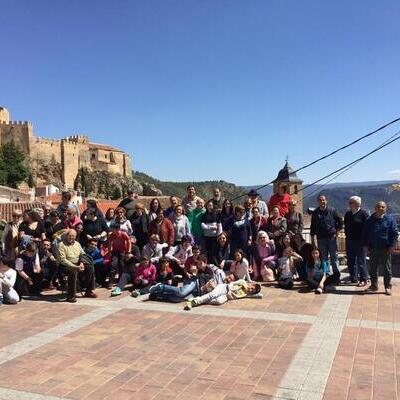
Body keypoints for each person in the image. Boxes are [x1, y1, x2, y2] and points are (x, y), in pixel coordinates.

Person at [363, 201, 399, 295]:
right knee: (373, 268)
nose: (381, 208)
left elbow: (394, 234)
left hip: (386, 248)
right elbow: (365, 233)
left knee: (387, 269)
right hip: (373, 248)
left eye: (383, 207)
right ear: (375, 208)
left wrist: (392, 246)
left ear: (386, 208)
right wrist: (366, 245)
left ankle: (388, 287)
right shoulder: (370, 220)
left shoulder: (390, 219)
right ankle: (374, 285)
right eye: (379, 207)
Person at [310, 194, 343, 283]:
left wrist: (337, 231)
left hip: (331, 238)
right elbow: (313, 226)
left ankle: (336, 276)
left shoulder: (332, 210)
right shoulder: (315, 213)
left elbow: (340, 221)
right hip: (320, 239)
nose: (322, 202)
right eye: (320, 200)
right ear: (318, 202)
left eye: (323, 200)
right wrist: (312, 238)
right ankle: (326, 275)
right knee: (323, 259)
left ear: (326, 201)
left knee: (334, 258)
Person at [58, 229, 97, 302]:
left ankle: (88, 291)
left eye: (73, 236)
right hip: (66, 265)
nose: (71, 238)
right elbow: (62, 260)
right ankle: (71, 296)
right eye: (70, 236)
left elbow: (83, 254)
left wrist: (81, 263)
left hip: (78, 263)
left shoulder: (77, 244)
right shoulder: (61, 245)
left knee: (90, 266)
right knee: (72, 271)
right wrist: (75, 267)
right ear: (66, 236)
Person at [184, 280, 262, 309]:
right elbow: (233, 283)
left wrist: (256, 292)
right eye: (252, 288)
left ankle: (197, 299)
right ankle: (193, 303)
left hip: (226, 297)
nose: (250, 290)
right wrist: (229, 289)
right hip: (224, 288)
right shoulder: (243, 282)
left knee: (219, 302)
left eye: (252, 291)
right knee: (212, 295)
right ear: (252, 285)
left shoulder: (246, 294)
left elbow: (259, 295)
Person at [344, 196, 369, 285]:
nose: (349, 204)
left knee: (361, 261)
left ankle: (363, 279)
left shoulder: (364, 214)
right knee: (351, 261)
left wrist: (366, 242)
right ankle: (353, 278)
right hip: (349, 241)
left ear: (357, 204)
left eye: (351, 202)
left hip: (360, 242)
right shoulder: (348, 214)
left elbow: (367, 229)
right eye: (349, 202)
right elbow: (346, 226)